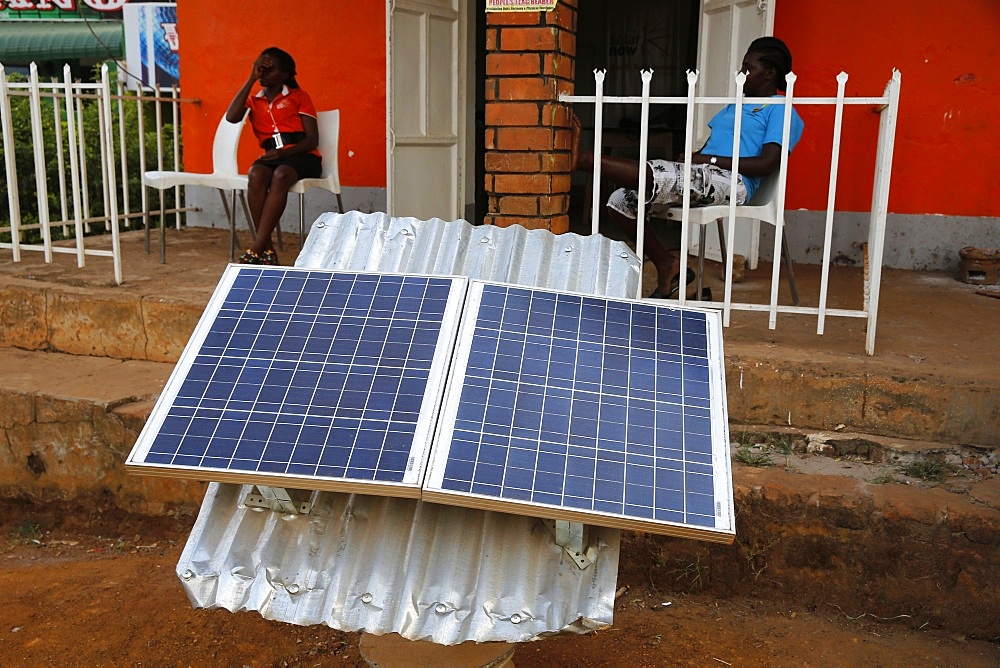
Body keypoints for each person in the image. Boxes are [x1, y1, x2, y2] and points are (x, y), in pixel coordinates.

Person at [573, 36, 804, 298]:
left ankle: (586, 160)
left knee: (663, 175)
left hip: (737, 183)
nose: (741, 73)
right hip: (705, 176)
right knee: (621, 201)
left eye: (748, 68)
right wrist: (694, 157)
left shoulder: (781, 110)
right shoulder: (734, 106)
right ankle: (667, 265)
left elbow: (766, 164)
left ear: (770, 74)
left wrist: (707, 161)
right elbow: (711, 149)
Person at [226, 47, 322, 265]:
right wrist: (251, 77)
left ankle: (257, 247)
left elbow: (312, 140)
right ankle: (268, 251)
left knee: (280, 175)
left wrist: (284, 152)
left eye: (270, 70)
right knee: (256, 173)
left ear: (285, 75)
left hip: (303, 156)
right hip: (274, 156)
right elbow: (231, 117)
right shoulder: (254, 101)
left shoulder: (299, 97)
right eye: (262, 70)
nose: (264, 74)